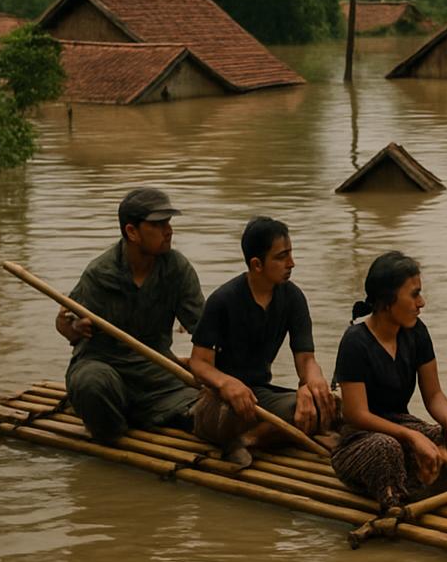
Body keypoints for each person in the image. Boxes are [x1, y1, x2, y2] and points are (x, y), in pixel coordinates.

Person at [330, 252, 447, 511]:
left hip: (404, 428)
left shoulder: (417, 332)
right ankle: (407, 489)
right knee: (386, 448)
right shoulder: (355, 342)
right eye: (414, 295)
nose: (421, 302)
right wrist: (412, 437)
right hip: (363, 439)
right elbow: (356, 414)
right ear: (387, 301)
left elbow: (434, 395)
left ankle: (415, 481)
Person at [55, 188, 205, 443]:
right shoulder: (100, 273)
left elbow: (204, 329)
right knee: (92, 385)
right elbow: (64, 323)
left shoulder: (177, 269)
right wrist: (74, 327)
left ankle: (138, 412)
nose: (168, 231)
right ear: (132, 232)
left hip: (155, 372)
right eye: (158, 225)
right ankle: (114, 423)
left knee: (203, 412)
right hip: (104, 364)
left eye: (168, 223)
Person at [188, 217, 335, 466]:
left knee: (332, 405)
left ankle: (248, 441)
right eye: (281, 257)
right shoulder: (223, 300)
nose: (291, 264)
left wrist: (313, 383)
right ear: (257, 264)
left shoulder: (292, 297)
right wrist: (226, 383)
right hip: (221, 402)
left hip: (260, 395)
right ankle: (270, 435)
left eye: (291, 254)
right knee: (294, 414)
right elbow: (199, 363)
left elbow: (306, 359)